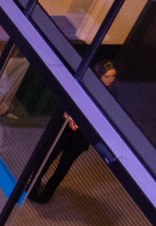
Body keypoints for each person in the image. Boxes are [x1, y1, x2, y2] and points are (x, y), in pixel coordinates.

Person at [27, 62, 118, 204]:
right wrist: (68, 114)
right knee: (48, 158)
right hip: (64, 128)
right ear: (98, 76)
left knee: (64, 165)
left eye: (113, 76)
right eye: (107, 76)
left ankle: (48, 193)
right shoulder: (83, 86)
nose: (110, 80)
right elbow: (66, 100)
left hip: (81, 135)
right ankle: (33, 186)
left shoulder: (110, 95)